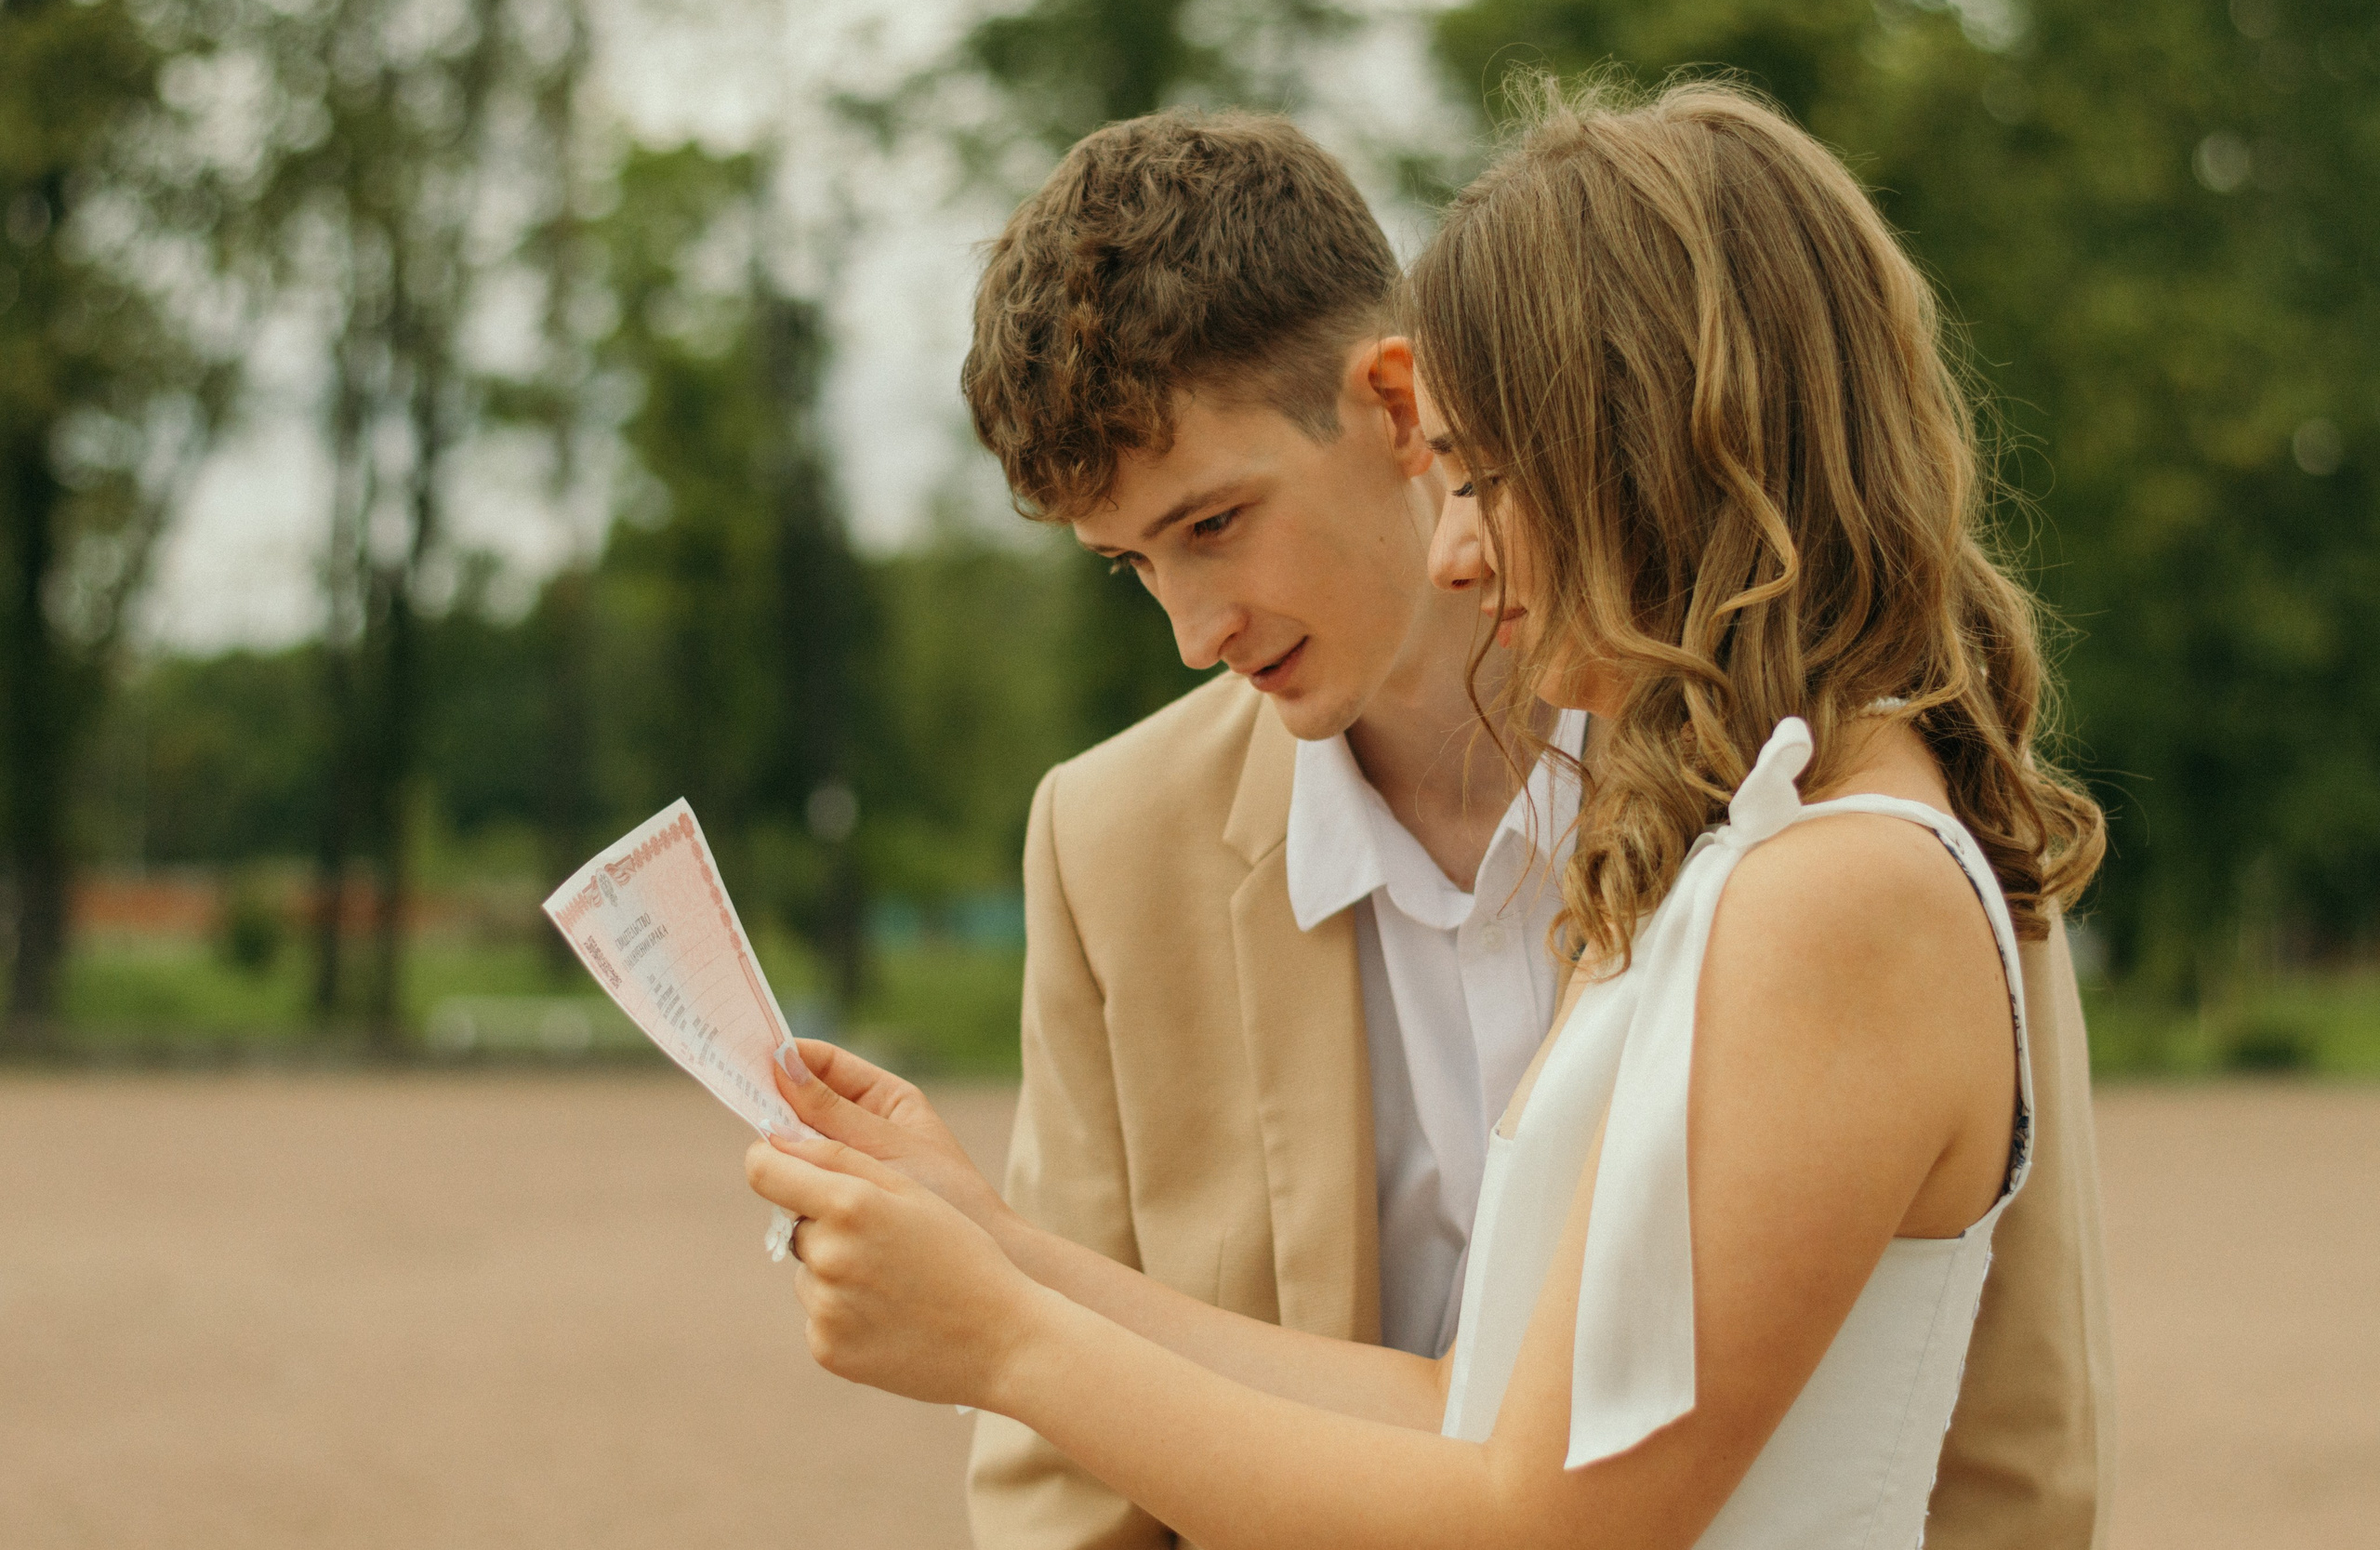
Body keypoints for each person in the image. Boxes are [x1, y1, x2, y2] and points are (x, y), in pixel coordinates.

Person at [759, 86, 2114, 1548]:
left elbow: (1542, 1516)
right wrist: (1000, 1258)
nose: (1458, 546)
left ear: (1653, 447)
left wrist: (1005, 1342)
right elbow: (1469, 1408)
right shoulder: (1741, 841)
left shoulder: (1832, 880)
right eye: (1127, 565)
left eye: (1483, 474)